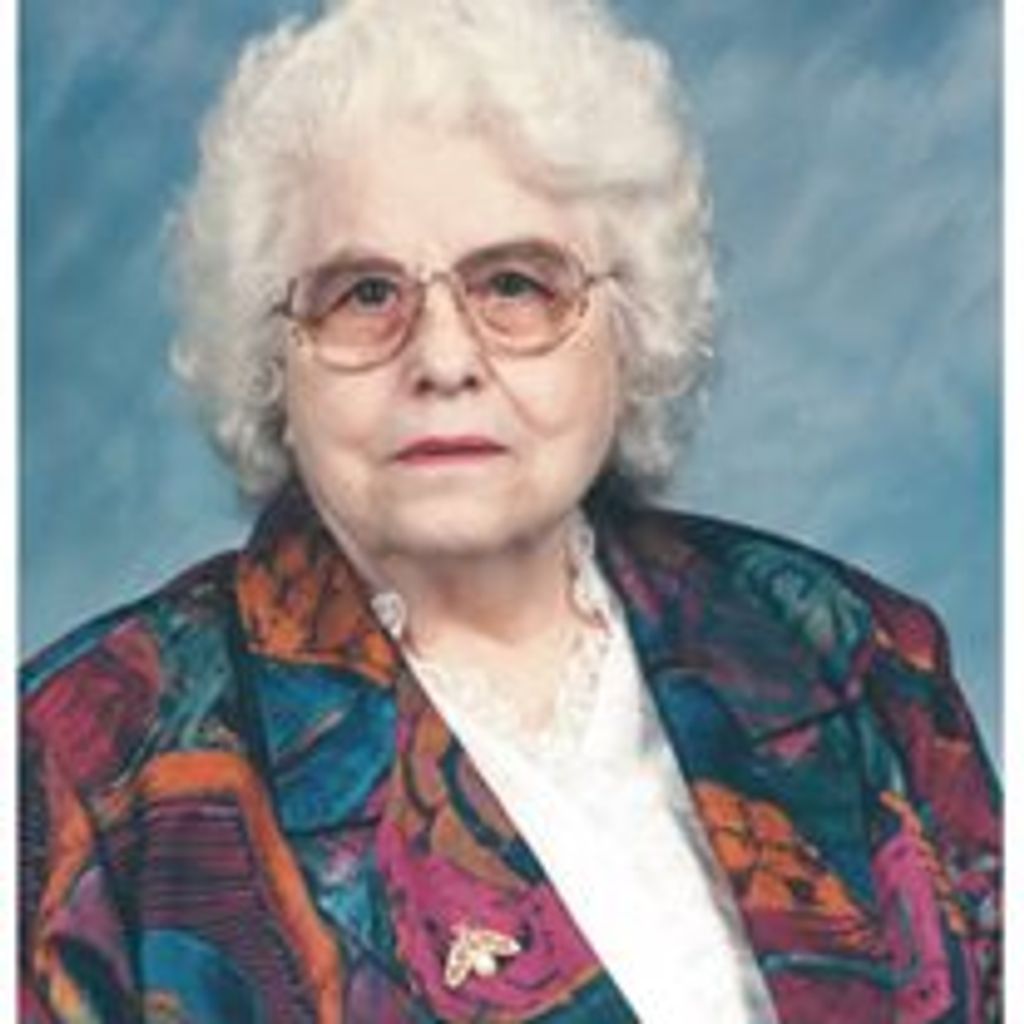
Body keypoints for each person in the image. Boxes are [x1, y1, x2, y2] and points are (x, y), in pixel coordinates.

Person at [19, 0, 1000, 1021]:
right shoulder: (81, 770)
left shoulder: (856, 658)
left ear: (630, 324)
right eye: (364, 294)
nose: (444, 359)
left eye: (517, 284)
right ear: (273, 357)